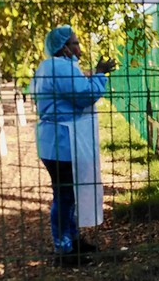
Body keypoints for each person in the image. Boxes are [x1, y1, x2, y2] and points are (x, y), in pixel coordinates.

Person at [30, 25, 116, 265]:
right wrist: (100, 74)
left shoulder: (53, 67)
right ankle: (64, 249)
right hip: (61, 142)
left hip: (58, 141)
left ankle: (73, 240)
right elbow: (84, 96)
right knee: (65, 195)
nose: (79, 48)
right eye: (76, 43)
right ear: (64, 48)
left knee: (68, 194)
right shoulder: (58, 68)